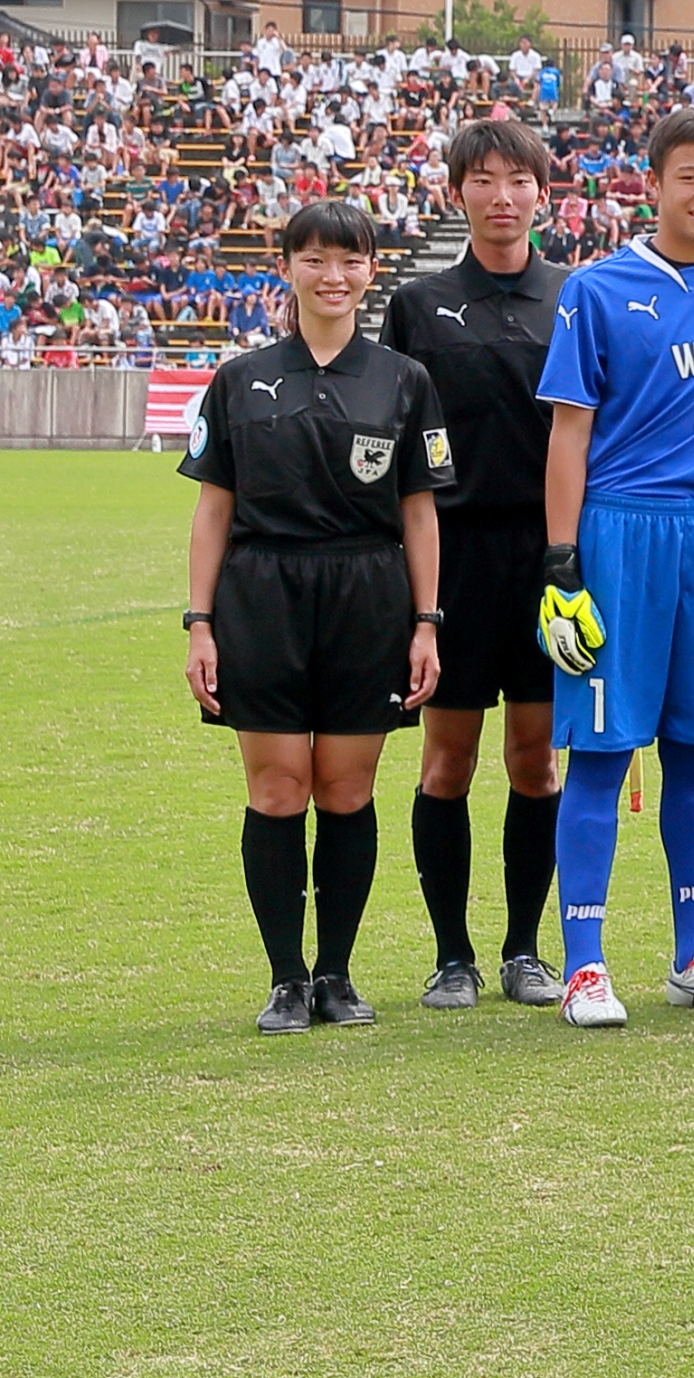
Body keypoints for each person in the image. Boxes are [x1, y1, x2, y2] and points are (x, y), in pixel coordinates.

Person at [530, 106, 694, 1029]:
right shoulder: (598, 290)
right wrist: (563, 561)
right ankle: (585, 963)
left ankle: (693, 953)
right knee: (598, 753)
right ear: (653, 182)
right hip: (620, 535)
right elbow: (568, 434)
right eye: (689, 178)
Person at [185, 200, 447, 1031]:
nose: (333, 275)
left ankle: (335, 973)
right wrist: (199, 620)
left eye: (350, 259)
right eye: (316, 258)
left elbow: (418, 513)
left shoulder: (402, 379)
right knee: (277, 787)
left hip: (367, 595)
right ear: (288, 266)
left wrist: (425, 621)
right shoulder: (240, 377)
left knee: (345, 788)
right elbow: (212, 510)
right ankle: (285, 978)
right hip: (261, 594)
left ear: (372, 271)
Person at [379, 116, 566, 1008]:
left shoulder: (575, 295)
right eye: (483, 179)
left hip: (545, 559)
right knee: (445, 762)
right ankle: (451, 953)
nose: (501, 195)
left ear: (542, 191)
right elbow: (393, 433)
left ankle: (525, 948)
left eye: (517, 180)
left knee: (536, 761)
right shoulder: (419, 305)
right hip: (449, 564)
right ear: (457, 192)